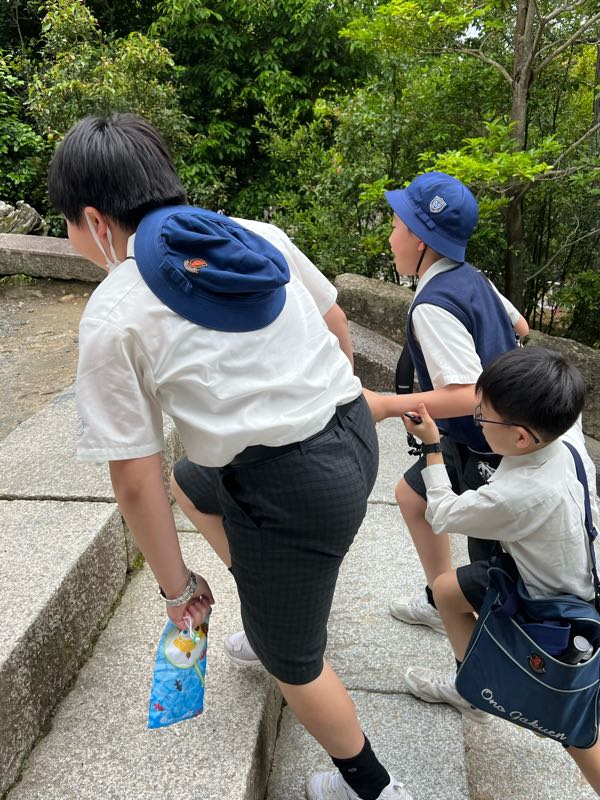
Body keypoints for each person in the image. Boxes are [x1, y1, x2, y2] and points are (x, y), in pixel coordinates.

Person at [48, 113, 410, 800]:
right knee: (194, 481)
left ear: (94, 220)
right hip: (356, 435)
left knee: (294, 665)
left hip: (291, 486)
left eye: (67, 223)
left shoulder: (116, 310)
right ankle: (274, 600)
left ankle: (374, 788)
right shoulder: (253, 234)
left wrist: (177, 589)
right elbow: (335, 321)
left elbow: (134, 481)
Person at [400, 346, 600, 792]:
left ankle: (501, 688)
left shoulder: (519, 495)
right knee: (446, 591)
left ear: (522, 436)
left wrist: (432, 446)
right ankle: (472, 687)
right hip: (567, 573)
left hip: (551, 609)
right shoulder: (564, 438)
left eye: (483, 416)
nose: (477, 421)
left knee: (572, 731)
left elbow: (442, 514)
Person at [364, 171, 529, 635]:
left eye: (395, 226)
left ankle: (482, 653)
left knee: (490, 568)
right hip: (482, 434)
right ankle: (442, 599)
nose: (391, 236)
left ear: (419, 240)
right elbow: (520, 327)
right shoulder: (472, 277)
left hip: (491, 447)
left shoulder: (434, 305)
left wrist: (385, 406)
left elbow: (468, 393)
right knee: (411, 495)